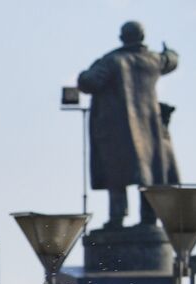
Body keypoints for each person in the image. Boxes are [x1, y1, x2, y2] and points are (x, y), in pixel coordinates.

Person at [76, 21, 179, 228]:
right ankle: (148, 219)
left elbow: (88, 82)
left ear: (122, 37)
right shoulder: (152, 60)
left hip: (119, 132)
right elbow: (171, 60)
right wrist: (171, 52)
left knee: (116, 175)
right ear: (142, 37)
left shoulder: (112, 61)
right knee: (148, 177)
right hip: (149, 132)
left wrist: (89, 70)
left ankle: (117, 217)